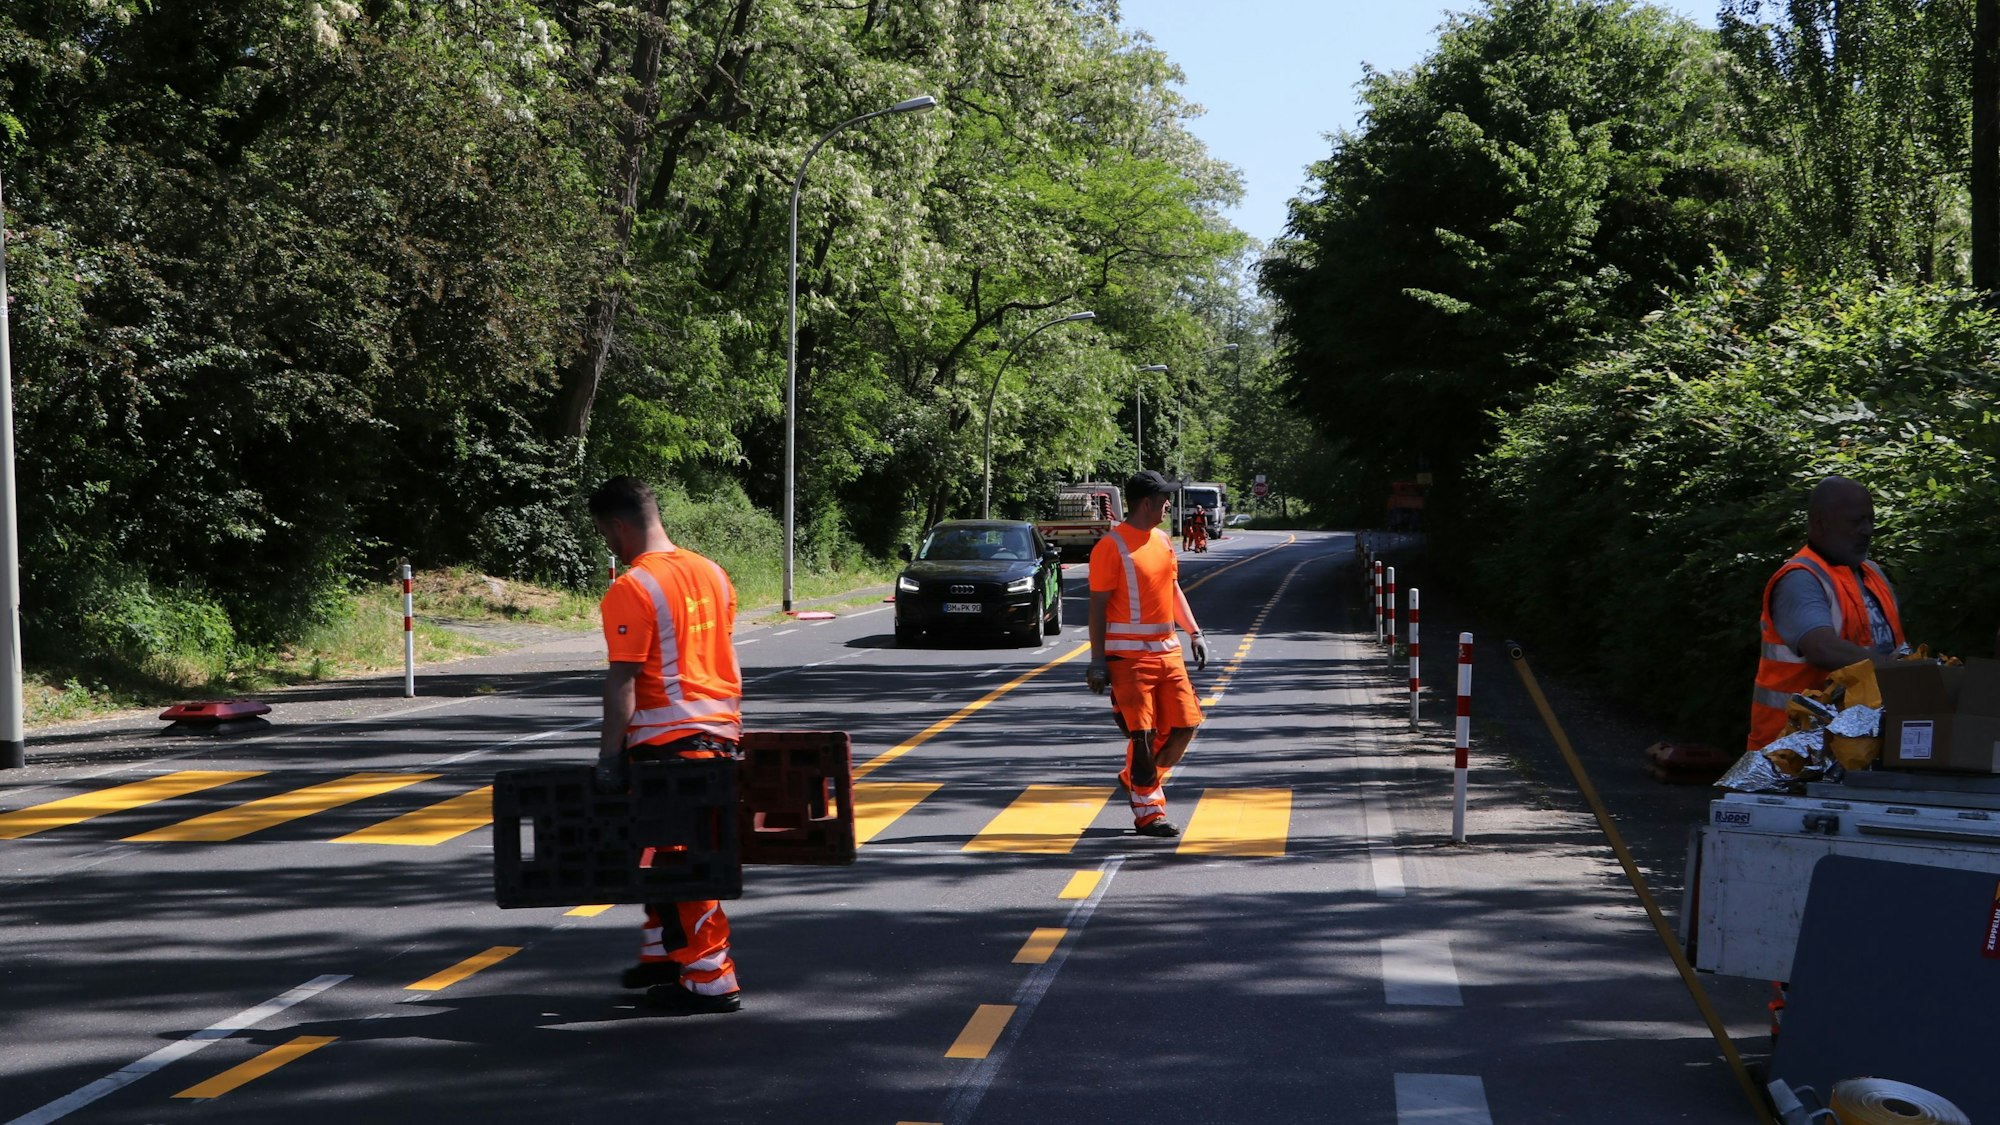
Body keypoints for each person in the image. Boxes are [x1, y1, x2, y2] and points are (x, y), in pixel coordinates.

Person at [589, 476, 745, 1016]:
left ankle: (709, 979)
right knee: (659, 853)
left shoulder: (633, 587)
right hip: (718, 735)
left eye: (605, 534)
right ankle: (661, 956)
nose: (608, 545)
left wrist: (610, 756)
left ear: (618, 526)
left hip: (668, 743)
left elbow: (624, 680)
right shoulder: (713, 573)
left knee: (679, 863)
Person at [1085, 470, 1212, 837]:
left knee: (1184, 727)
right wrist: (1097, 660)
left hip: (1168, 653)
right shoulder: (1111, 547)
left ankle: (1134, 778)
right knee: (1142, 735)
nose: (1169, 504)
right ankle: (1149, 812)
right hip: (1127, 659)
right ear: (1147, 503)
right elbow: (1097, 607)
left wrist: (1194, 632)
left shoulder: (1162, 540)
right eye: (1164, 499)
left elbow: (1172, 589)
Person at [1746, 475, 1909, 751]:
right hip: (1790, 753)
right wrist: (1904, 673)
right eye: (1855, 521)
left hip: (1853, 748)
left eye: (1870, 520)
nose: (1867, 530)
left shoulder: (1873, 574)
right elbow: (1821, 648)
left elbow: (1894, 649)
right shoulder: (1801, 579)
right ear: (1821, 522)